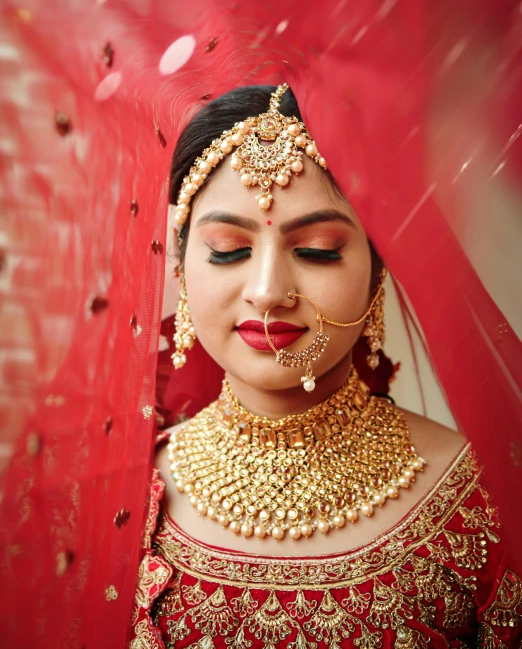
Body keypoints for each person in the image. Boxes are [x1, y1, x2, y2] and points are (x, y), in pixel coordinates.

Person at [129, 84, 522, 648]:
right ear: (184, 264)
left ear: (377, 269)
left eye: (316, 249)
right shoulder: (124, 501)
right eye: (226, 248)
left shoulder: (480, 502)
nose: (267, 292)